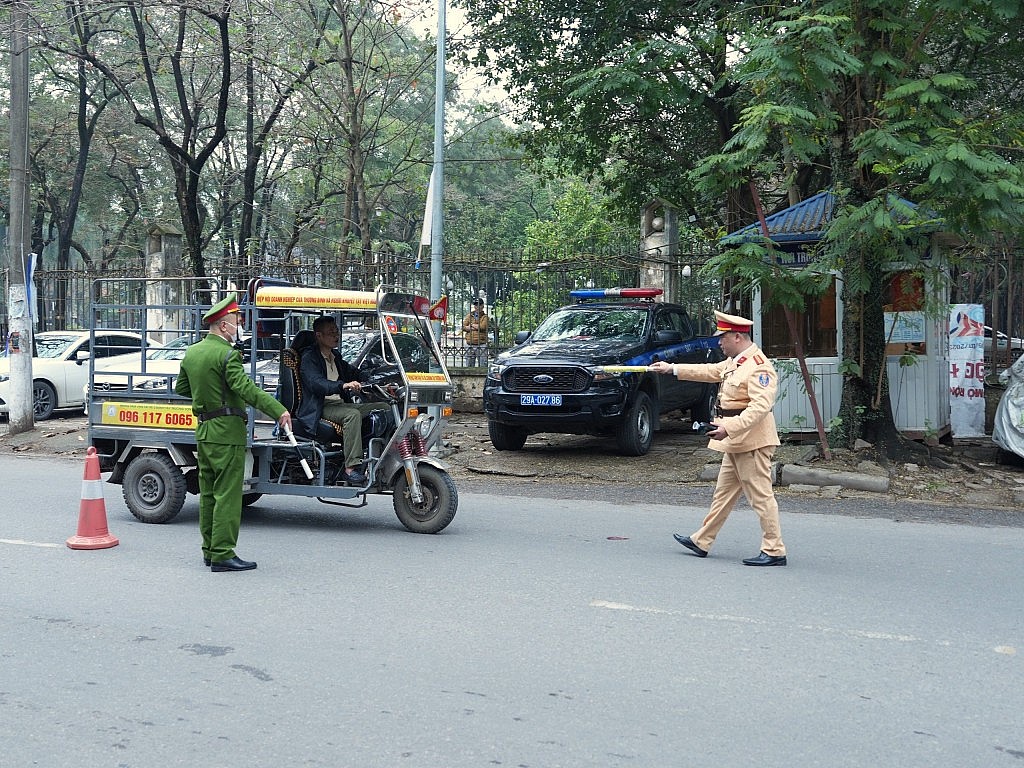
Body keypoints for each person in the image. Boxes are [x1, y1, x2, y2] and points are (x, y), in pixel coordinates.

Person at [649, 310, 787, 566]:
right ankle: (702, 540)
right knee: (722, 495)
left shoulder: (759, 367)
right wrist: (672, 369)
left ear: (736, 337)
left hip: (751, 441)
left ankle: (774, 549)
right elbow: (710, 371)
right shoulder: (736, 362)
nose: (718, 344)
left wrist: (730, 427)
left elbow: (759, 409)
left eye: (721, 339)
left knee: (761, 496)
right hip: (735, 440)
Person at [176, 294, 293, 572]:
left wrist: (208, 394)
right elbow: (247, 390)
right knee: (227, 495)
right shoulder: (228, 355)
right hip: (227, 433)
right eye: (237, 321)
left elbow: (182, 388)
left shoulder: (193, 352)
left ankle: (209, 550)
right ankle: (223, 553)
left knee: (207, 494)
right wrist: (278, 410)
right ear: (223, 326)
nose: (239, 325)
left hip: (204, 431)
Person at [296, 316, 381, 485]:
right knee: (352, 415)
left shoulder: (334, 356)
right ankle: (350, 468)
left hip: (339, 404)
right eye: (331, 332)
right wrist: (342, 386)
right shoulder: (309, 358)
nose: (336, 335)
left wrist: (375, 378)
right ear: (319, 336)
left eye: (337, 331)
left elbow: (353, 372)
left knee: (383, 408)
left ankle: (379, 456)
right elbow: (317, 384)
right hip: (320, 407)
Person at [462, 298, 490, 367]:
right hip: (470, 344)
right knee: (469, 365)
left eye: (479, 305)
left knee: (483, 365)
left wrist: (471, 326)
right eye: (476, 305)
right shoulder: (469, 316)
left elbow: (482, 327)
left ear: (483, 306)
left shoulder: (485, 317)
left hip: (481, 344)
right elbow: (463, 327)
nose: (477, 307)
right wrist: (475, 327)